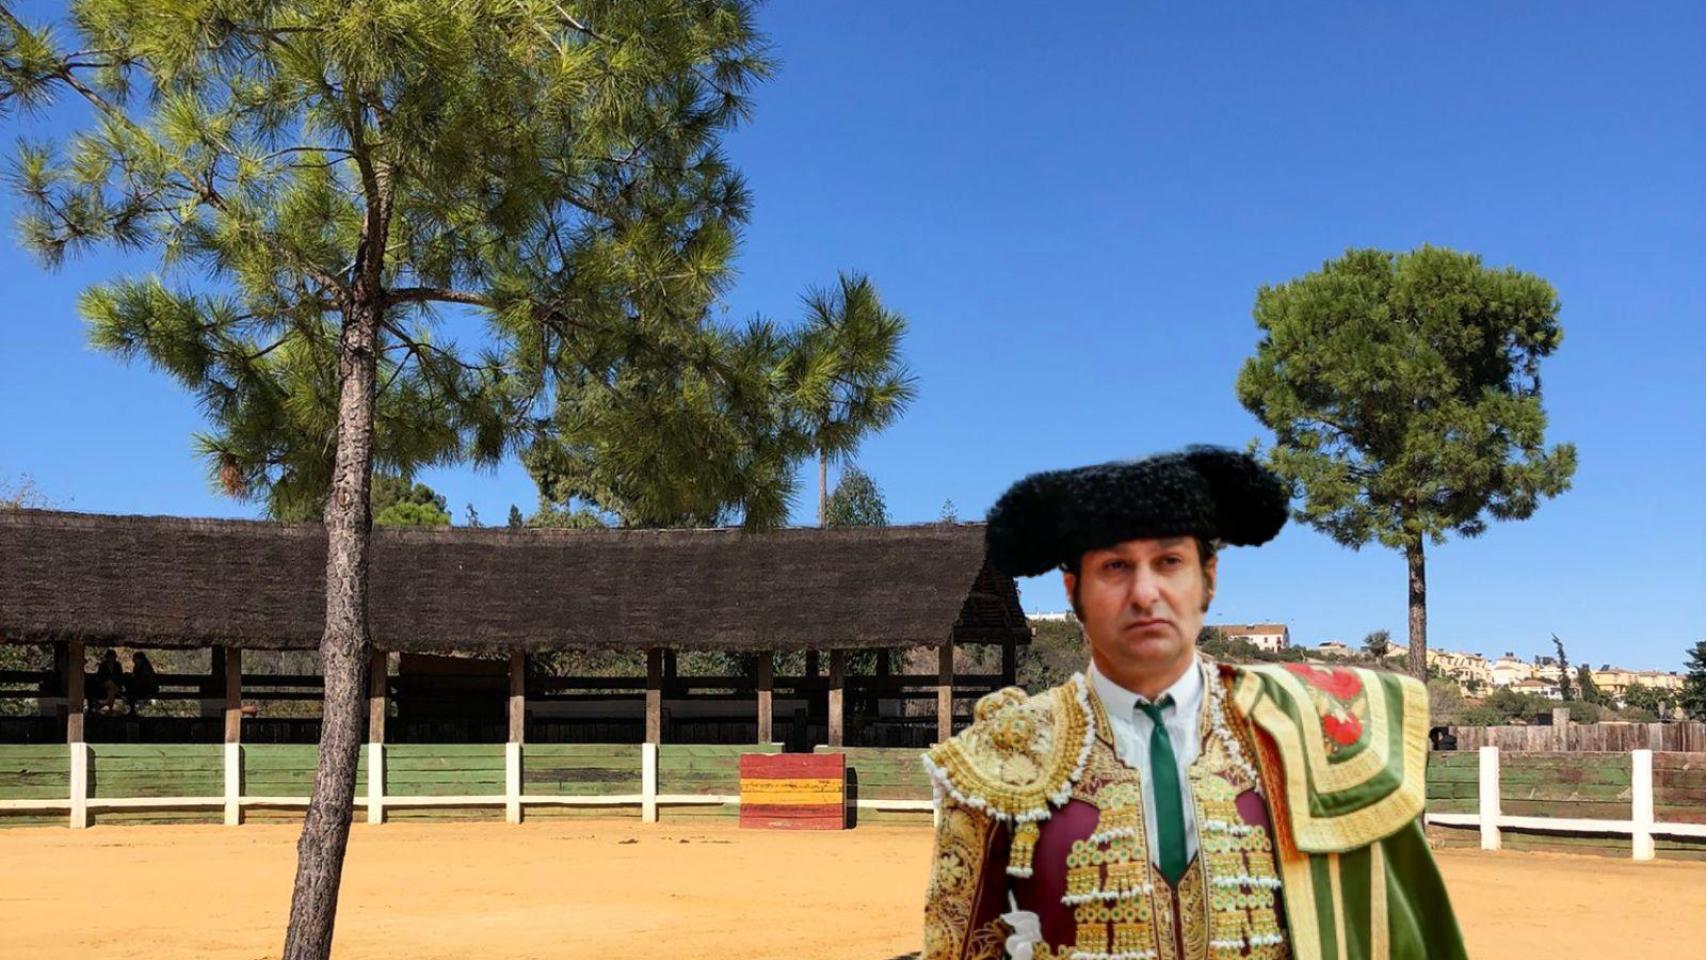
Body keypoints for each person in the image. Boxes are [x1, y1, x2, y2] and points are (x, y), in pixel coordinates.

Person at [921, 446, 1466, 960]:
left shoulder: (1299, 727)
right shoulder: (1001, 753)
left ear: (1208, 579)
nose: (1144, 593)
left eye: (1169, 562)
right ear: (1073, 591)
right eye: (1114, 566)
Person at [93, 648, 126, 716]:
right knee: (109, 683)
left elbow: (120, 675)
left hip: (114, 684)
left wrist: (114, 679)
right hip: (104, 683)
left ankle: (108, 706)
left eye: (113, 657)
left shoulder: (117, 665)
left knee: (111, 690)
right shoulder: (103, 665)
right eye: (110, 657)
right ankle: (120, 693)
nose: (112, 658)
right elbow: (100, 676)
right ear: (107, 657)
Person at [126, 651, 159, 716]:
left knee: (131, 691)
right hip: (141, 687)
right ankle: (132, 710)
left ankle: (132, 710)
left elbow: (145, 680)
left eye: (135, 658)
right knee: (130, 690)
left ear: (140, 659)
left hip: (149, 688)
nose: (134, 660)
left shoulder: (145, 667)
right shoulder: (137, 666)